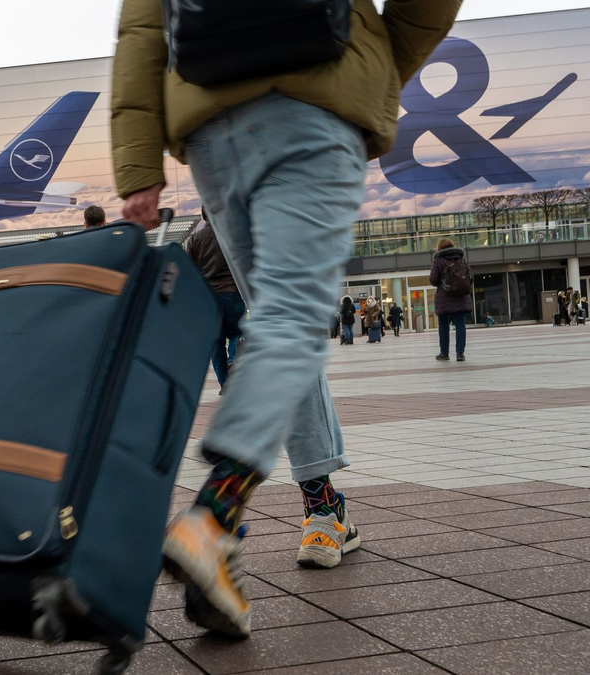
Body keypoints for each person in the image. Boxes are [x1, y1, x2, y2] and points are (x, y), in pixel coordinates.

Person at [112, 0, 459, 637]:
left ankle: (318, 510)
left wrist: (137, 167)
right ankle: (215, 519)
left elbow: (141, 27)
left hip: (212, 124)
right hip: (315, 104)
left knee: (277, 322)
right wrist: (374, 68)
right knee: (292, 319)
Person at [188, 211, 244, 393]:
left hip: (208, 297)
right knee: (237, 332)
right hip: (233, 292)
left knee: (216, 342)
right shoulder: (231, 235)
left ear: (204, 216)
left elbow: (189, 270)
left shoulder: (195, 239)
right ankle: (234, 360)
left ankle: (225, 384)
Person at [431, 239, 473, 362]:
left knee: (443, 325)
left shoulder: (438, 260)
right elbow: (471, 276)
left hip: (444, 298)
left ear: (439, 248)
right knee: (460, 324)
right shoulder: (461, 259)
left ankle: (444, 353)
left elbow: (433, 279)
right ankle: (460, 353)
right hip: (461, 297)